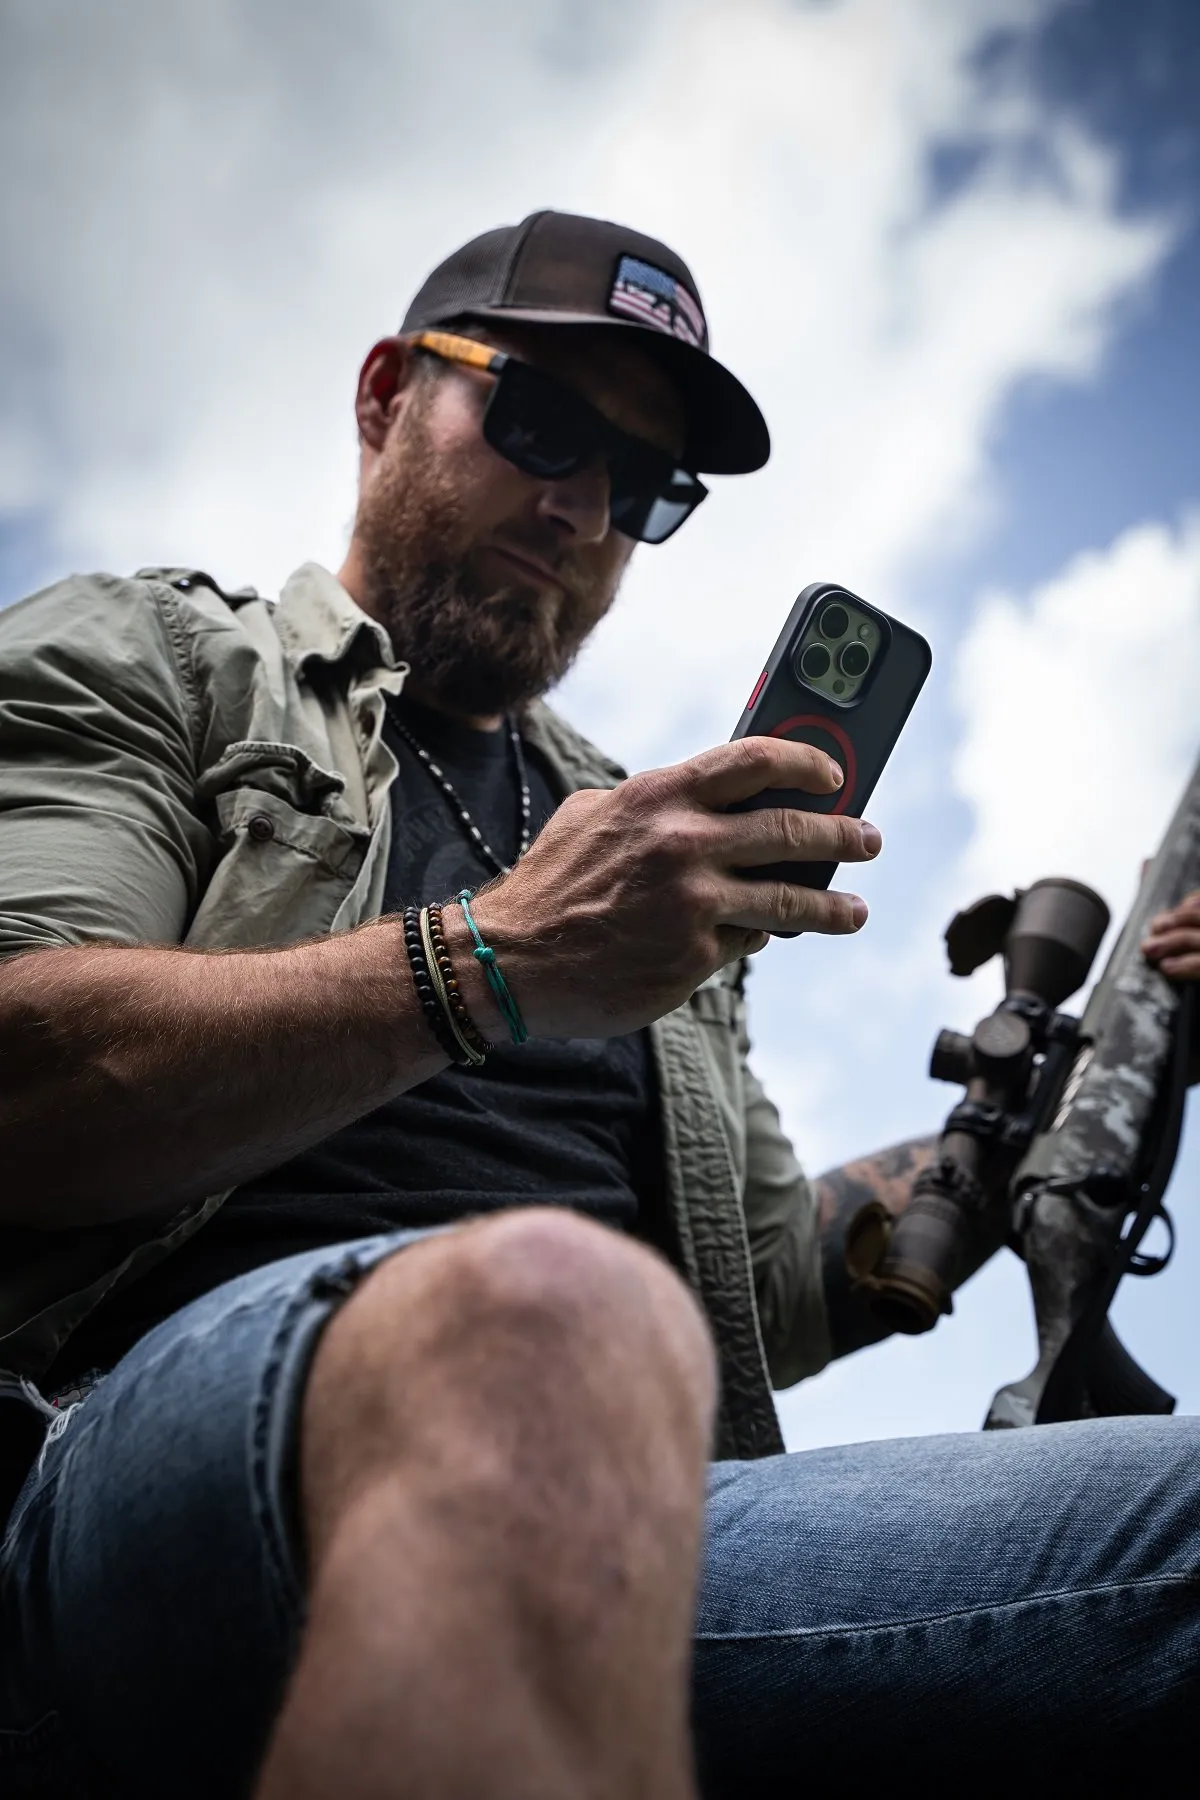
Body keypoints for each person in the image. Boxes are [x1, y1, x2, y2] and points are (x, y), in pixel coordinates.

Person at [0, 211, 1195, 1800]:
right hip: (122, 1480)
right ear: (385, 395)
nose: (582, 508)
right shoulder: (163, 658)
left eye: (645, 486)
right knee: (548, 1308)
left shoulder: (639, 848)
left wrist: (1059, 1107)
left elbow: (762, 1287)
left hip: (624, 1503)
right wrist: (492, 960)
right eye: (544, 423)